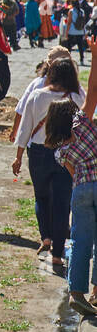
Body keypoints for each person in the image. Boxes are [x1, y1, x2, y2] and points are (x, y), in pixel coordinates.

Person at [13, 56, 84, 271]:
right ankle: (58, 256)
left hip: (39, 153)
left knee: (41, 197)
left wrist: (18, 156)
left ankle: (45, 237)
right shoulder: (75, 98)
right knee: (63, 203)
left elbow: (25, 128)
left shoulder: (36, 96)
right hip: (66, 154)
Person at [57, 43, 97, 314]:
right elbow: (92, 91)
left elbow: (74, 176)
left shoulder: (59, 149)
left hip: (80, 190)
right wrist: (94, 57)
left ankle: (76, 293)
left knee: (80, 240)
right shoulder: (83, 123)